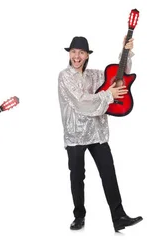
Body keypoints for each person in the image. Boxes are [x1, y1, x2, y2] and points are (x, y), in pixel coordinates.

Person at [58, 36, 143, 232]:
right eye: (73, 52)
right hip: (75, 135)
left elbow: (118, 77)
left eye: (81, 53)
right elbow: (80, 101)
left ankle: (118, 216)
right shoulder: (64, 76)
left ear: (87, 55)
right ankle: (79, 216)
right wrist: (107, 95)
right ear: (69, 54)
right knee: (78, 177)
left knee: (108, 172)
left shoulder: (95, 75)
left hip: (97, 132)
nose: (76, 56)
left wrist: (126, 52)